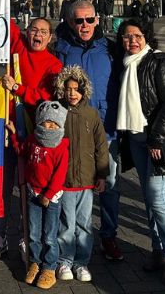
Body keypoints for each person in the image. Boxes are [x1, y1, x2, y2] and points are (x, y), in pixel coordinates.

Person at [113, 19, 165, 286]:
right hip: (134, 137)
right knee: (148, 196)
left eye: (137, 36)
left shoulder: (158, 61)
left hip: (156, 140)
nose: (132, 41)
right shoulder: (125, 63)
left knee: (157, 196)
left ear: (147, 37)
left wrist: (156, 138)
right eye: (127, 37)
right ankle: (157, 249)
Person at [52, 0, 122, 261]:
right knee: (71, 188)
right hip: (70, 132)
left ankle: (108, 236)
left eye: (89, 19)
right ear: (70, 22)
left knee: (109, 187)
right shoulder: (59, 48)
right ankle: (67, 242)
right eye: (78, 20)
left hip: (106, 129)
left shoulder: (111, 49)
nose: (85, 25)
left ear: (97, 19)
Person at [0, 17, 62, 262]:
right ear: (26, 32)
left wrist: (19, 89)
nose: (37, 35)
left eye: (43, 32)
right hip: (5, 129)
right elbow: (3, 15)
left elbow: (46, 97)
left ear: (50, 37)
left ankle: (25, 237)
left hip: (33, 136)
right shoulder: (17, 47)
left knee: (29, 189)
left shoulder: (54, 65)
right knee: (3, 186)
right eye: (33, 30)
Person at [52, 65, 108, 284]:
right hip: (64, 181)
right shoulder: (57, 111)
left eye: (76, 89)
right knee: (67, 224)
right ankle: (65, 260)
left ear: (84, 91)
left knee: (84, 223)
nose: (72, 93)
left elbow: (101, 147)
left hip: (86, 181)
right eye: (68, 89)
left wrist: (102, 175)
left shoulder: (92, 114)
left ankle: (81, 262)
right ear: (62, 89)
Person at [8, 101, 69, 290]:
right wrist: (13, 134)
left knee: (49, 235)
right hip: (33, 192)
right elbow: (21, 151)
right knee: (33, 233)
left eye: (54, 124)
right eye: (45, 123)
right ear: (39, 123)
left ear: (60, 126)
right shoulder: (33, 140)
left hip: (51, 197)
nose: (49, 127)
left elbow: (60, 175)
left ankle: (49, 267)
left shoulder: (61, 147)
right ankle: (35, 262)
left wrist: (49, 194)